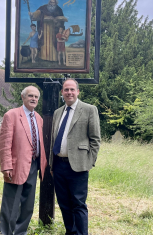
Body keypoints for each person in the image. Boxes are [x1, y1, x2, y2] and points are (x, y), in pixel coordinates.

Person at [49, 79, 101, 235]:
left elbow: (95, 139)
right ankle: (70, 232)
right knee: (64, 204)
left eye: (72, 89)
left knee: (78, 204)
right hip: (59, 165)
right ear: (62, 92)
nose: (69, 92)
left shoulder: (89, 110)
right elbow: (53, 138)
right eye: (66, 90)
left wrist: (89, 163)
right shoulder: (58, 112)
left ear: (78, 91)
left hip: (78, 165)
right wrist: (52, 165)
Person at [0, 86, 47, 235]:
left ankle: (20, 232)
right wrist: (6, 166)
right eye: (30, 96)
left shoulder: (38, 118)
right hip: (16, 166)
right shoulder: (11, 115)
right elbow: (5, 143)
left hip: (34, 165)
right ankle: (5, 232)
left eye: (36, 97)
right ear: (23, 97)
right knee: (11, 204)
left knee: (28, 205)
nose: (33, 99)